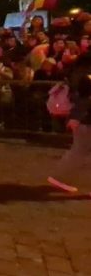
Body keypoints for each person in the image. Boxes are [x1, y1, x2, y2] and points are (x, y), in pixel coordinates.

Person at [48, 54, 91, 194]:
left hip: (83, 119)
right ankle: (60, 177)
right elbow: (83, 99)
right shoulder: (85, 77)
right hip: (85, 120)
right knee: (78, 151)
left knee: (79, 151)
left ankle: (59, 177)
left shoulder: (77, 74)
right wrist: (76, 117)